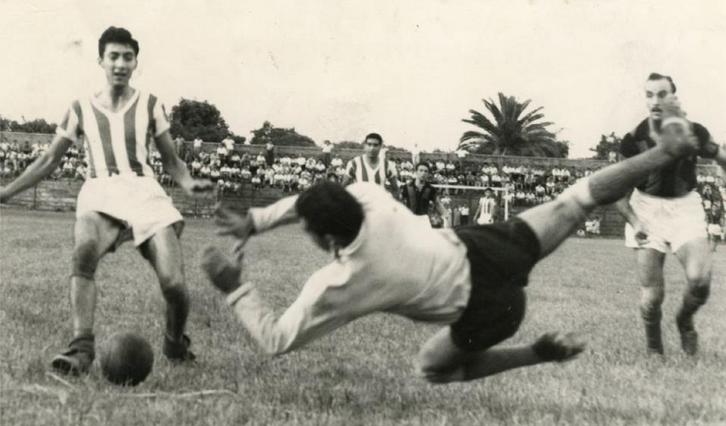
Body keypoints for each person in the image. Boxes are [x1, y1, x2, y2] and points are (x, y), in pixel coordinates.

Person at [200, 102, 698, 383]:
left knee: (430, 369)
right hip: (484, 245)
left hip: (488, 308)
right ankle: (663, 152)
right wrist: (258, 221)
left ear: (326, 237)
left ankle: (539, 353)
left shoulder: (339, 283)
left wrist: (234, 287)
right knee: (575, 200)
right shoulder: (370, 194)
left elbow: (276, 341)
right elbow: (313, 201)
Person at [0, 27, 213, 375]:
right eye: (113, 56)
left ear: (135, 63)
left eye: (127, 57)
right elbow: (49, 160)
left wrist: (189, 183)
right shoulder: (80, 108)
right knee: (83, 254)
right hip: (100, 189)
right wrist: (6, 191)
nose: (120, 63)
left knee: (174, 284)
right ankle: (81, 348)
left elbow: (172, 161)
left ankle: (175, 341)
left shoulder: (150, 104)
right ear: (101, 60)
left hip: (145, 192)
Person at [616, 73, 726, 356]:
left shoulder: (694, 132)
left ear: (674, 97)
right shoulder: (633, 140)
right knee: (652, 297)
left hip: (685, 207)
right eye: (649, 94)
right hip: (647, 209)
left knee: (700, 281)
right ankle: (654, 350)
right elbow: (617, 192)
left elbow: (720, 156)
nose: (655, 101)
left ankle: (684, 320)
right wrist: (635, 221)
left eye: (662, 94)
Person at [399, 162, 447, 227]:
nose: (423, 173)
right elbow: (399, 201)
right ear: (416, 172)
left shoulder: (430, 189)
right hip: (409, 221)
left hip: (424, 222)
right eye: (421, 170)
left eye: (426, 171)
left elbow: (438, 203)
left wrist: (445, 216)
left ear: (428, 174)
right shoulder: (407, 187)